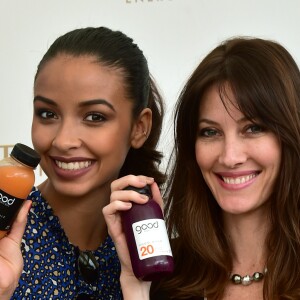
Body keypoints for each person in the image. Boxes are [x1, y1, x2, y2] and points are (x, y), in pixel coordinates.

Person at [103, 37, 300, 299]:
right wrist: (137, 285)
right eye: (210, 132)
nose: (230, 157)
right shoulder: (168, 279)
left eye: (253, 128)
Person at [0, 26, 165, 299]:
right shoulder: (8, 231)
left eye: (95, 117)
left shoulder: (150, 243)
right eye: (47, 113)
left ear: (139, 127)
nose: (63, 141)